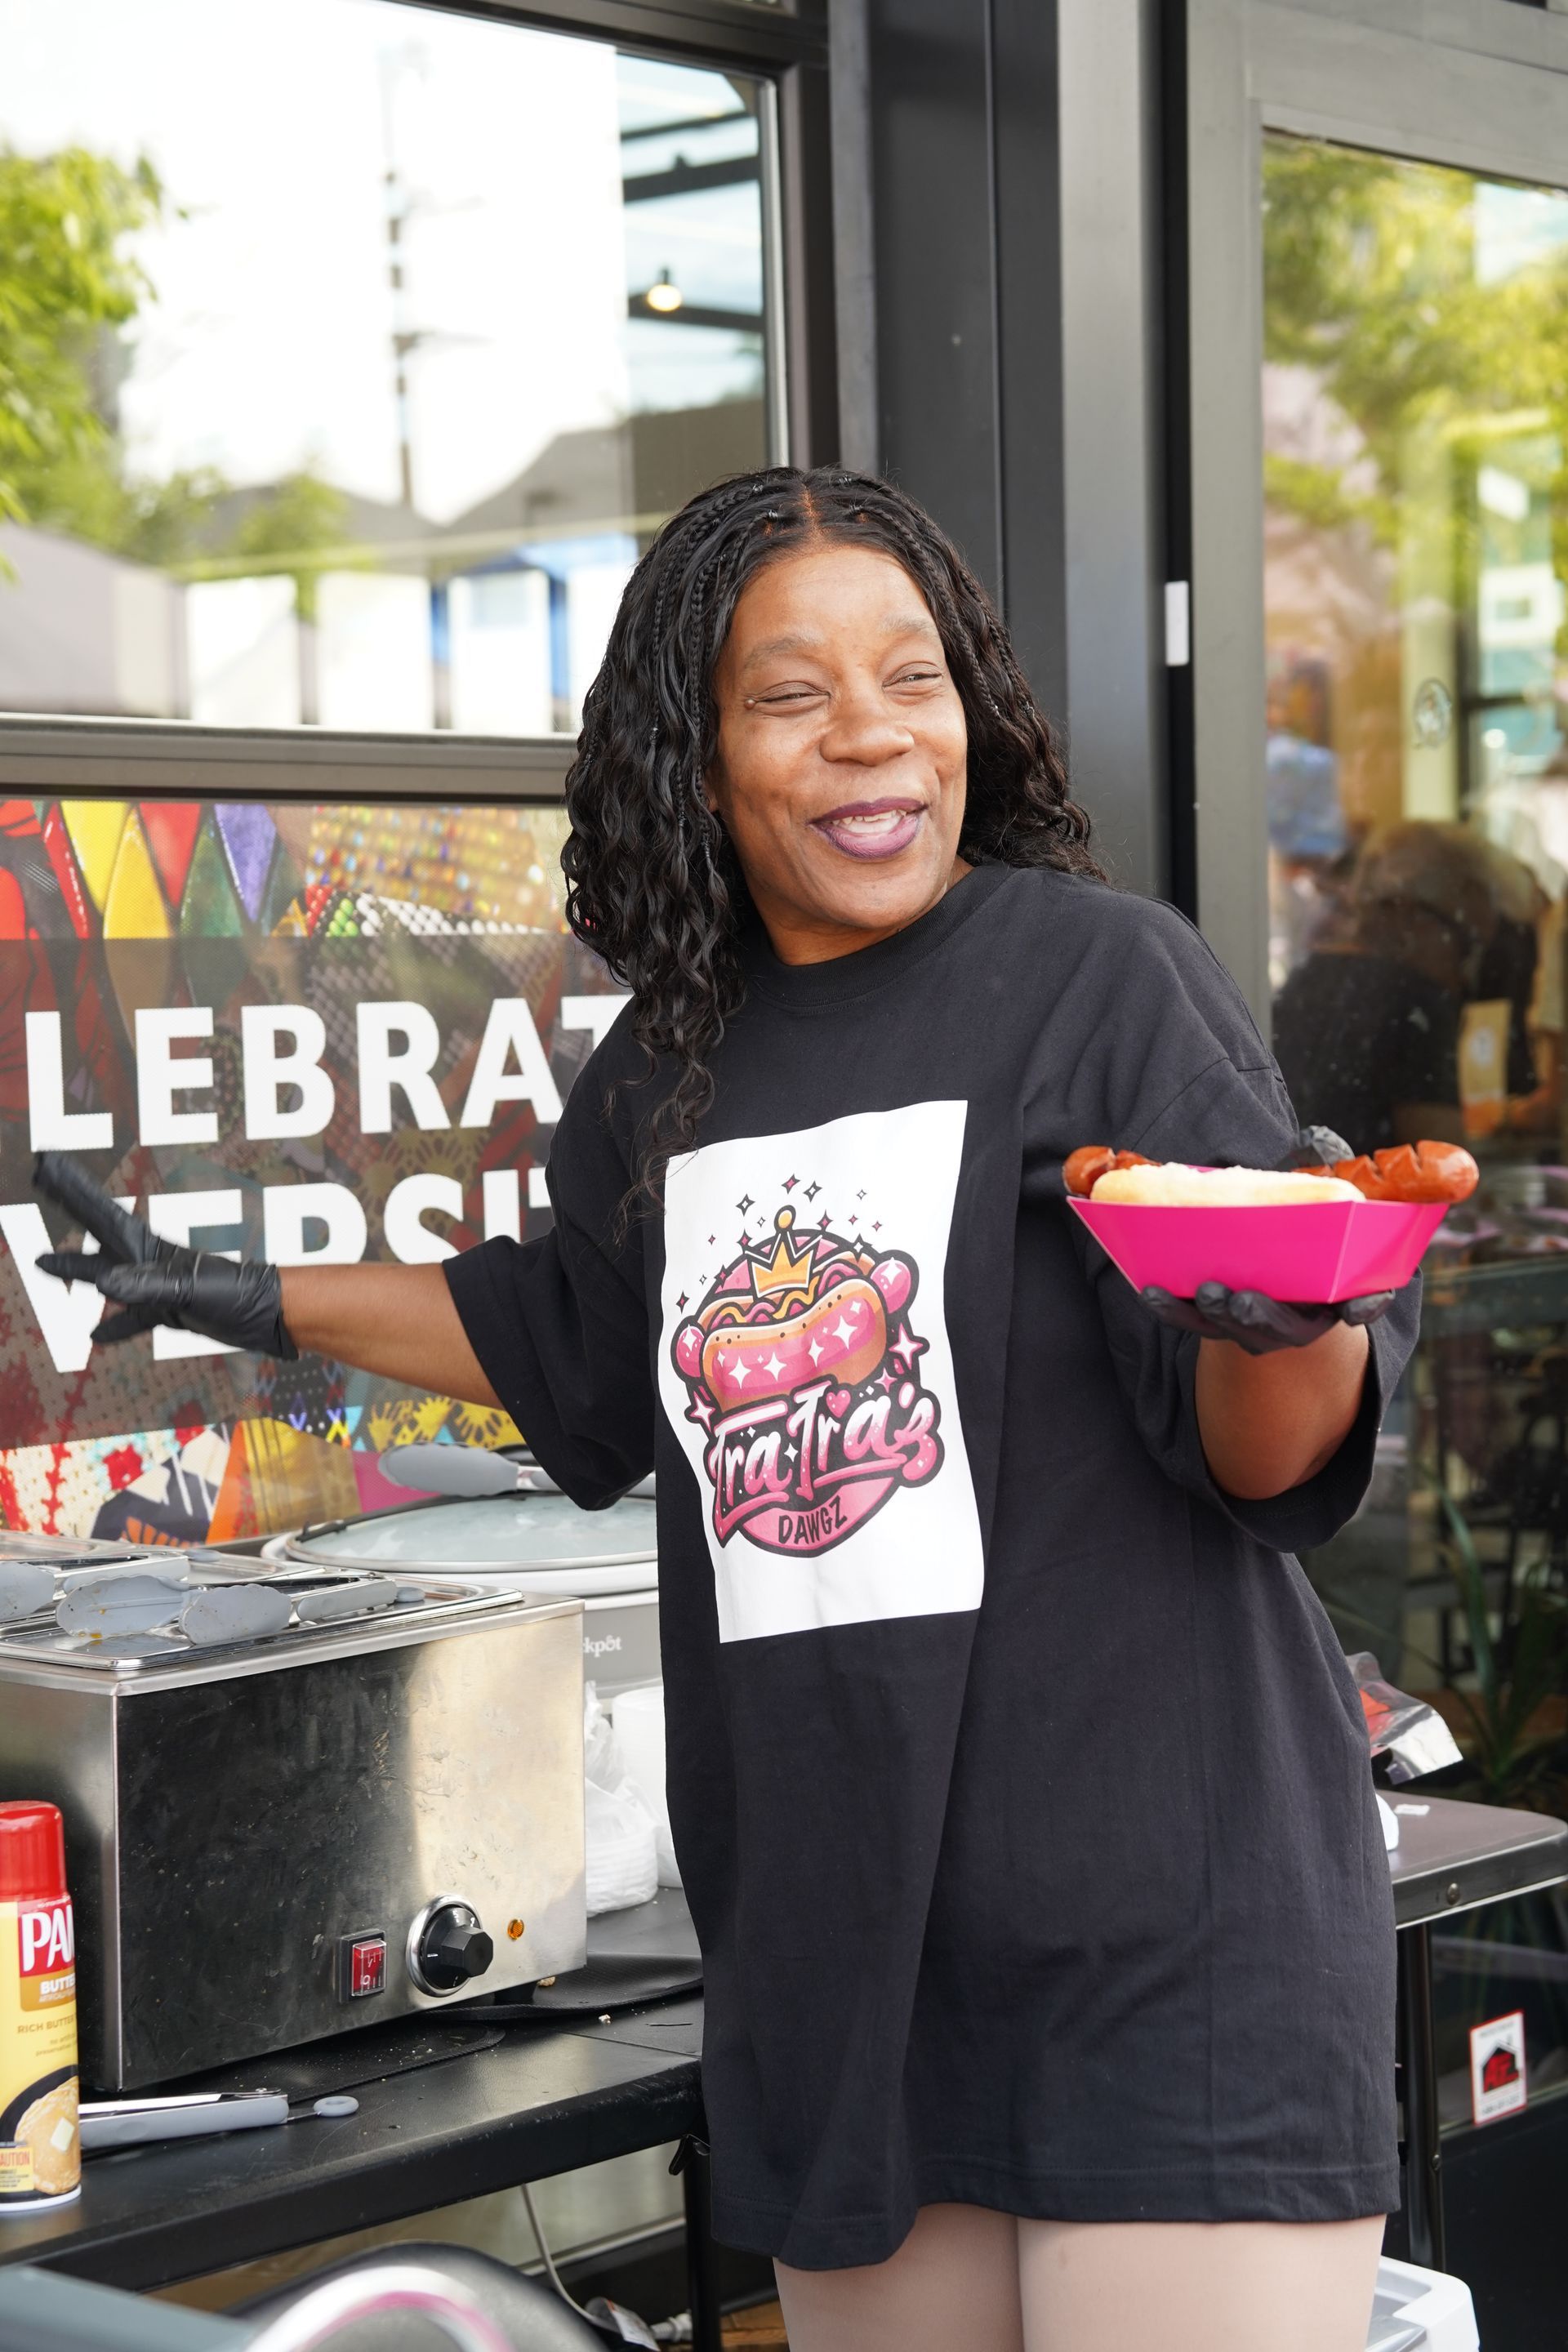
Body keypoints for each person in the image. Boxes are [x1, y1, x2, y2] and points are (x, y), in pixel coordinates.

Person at [34, 469, 1417, 2352]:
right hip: (840, 1963)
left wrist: (1289, 1313)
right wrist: (224, 1292)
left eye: (911, 679)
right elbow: (564, 1337)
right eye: (793, 695)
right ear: (696, 762)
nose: (873, 737)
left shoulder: (1102, 981)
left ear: (969, 713)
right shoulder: (672, 1075)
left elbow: (1272, 1462)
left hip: (1160, 1935)